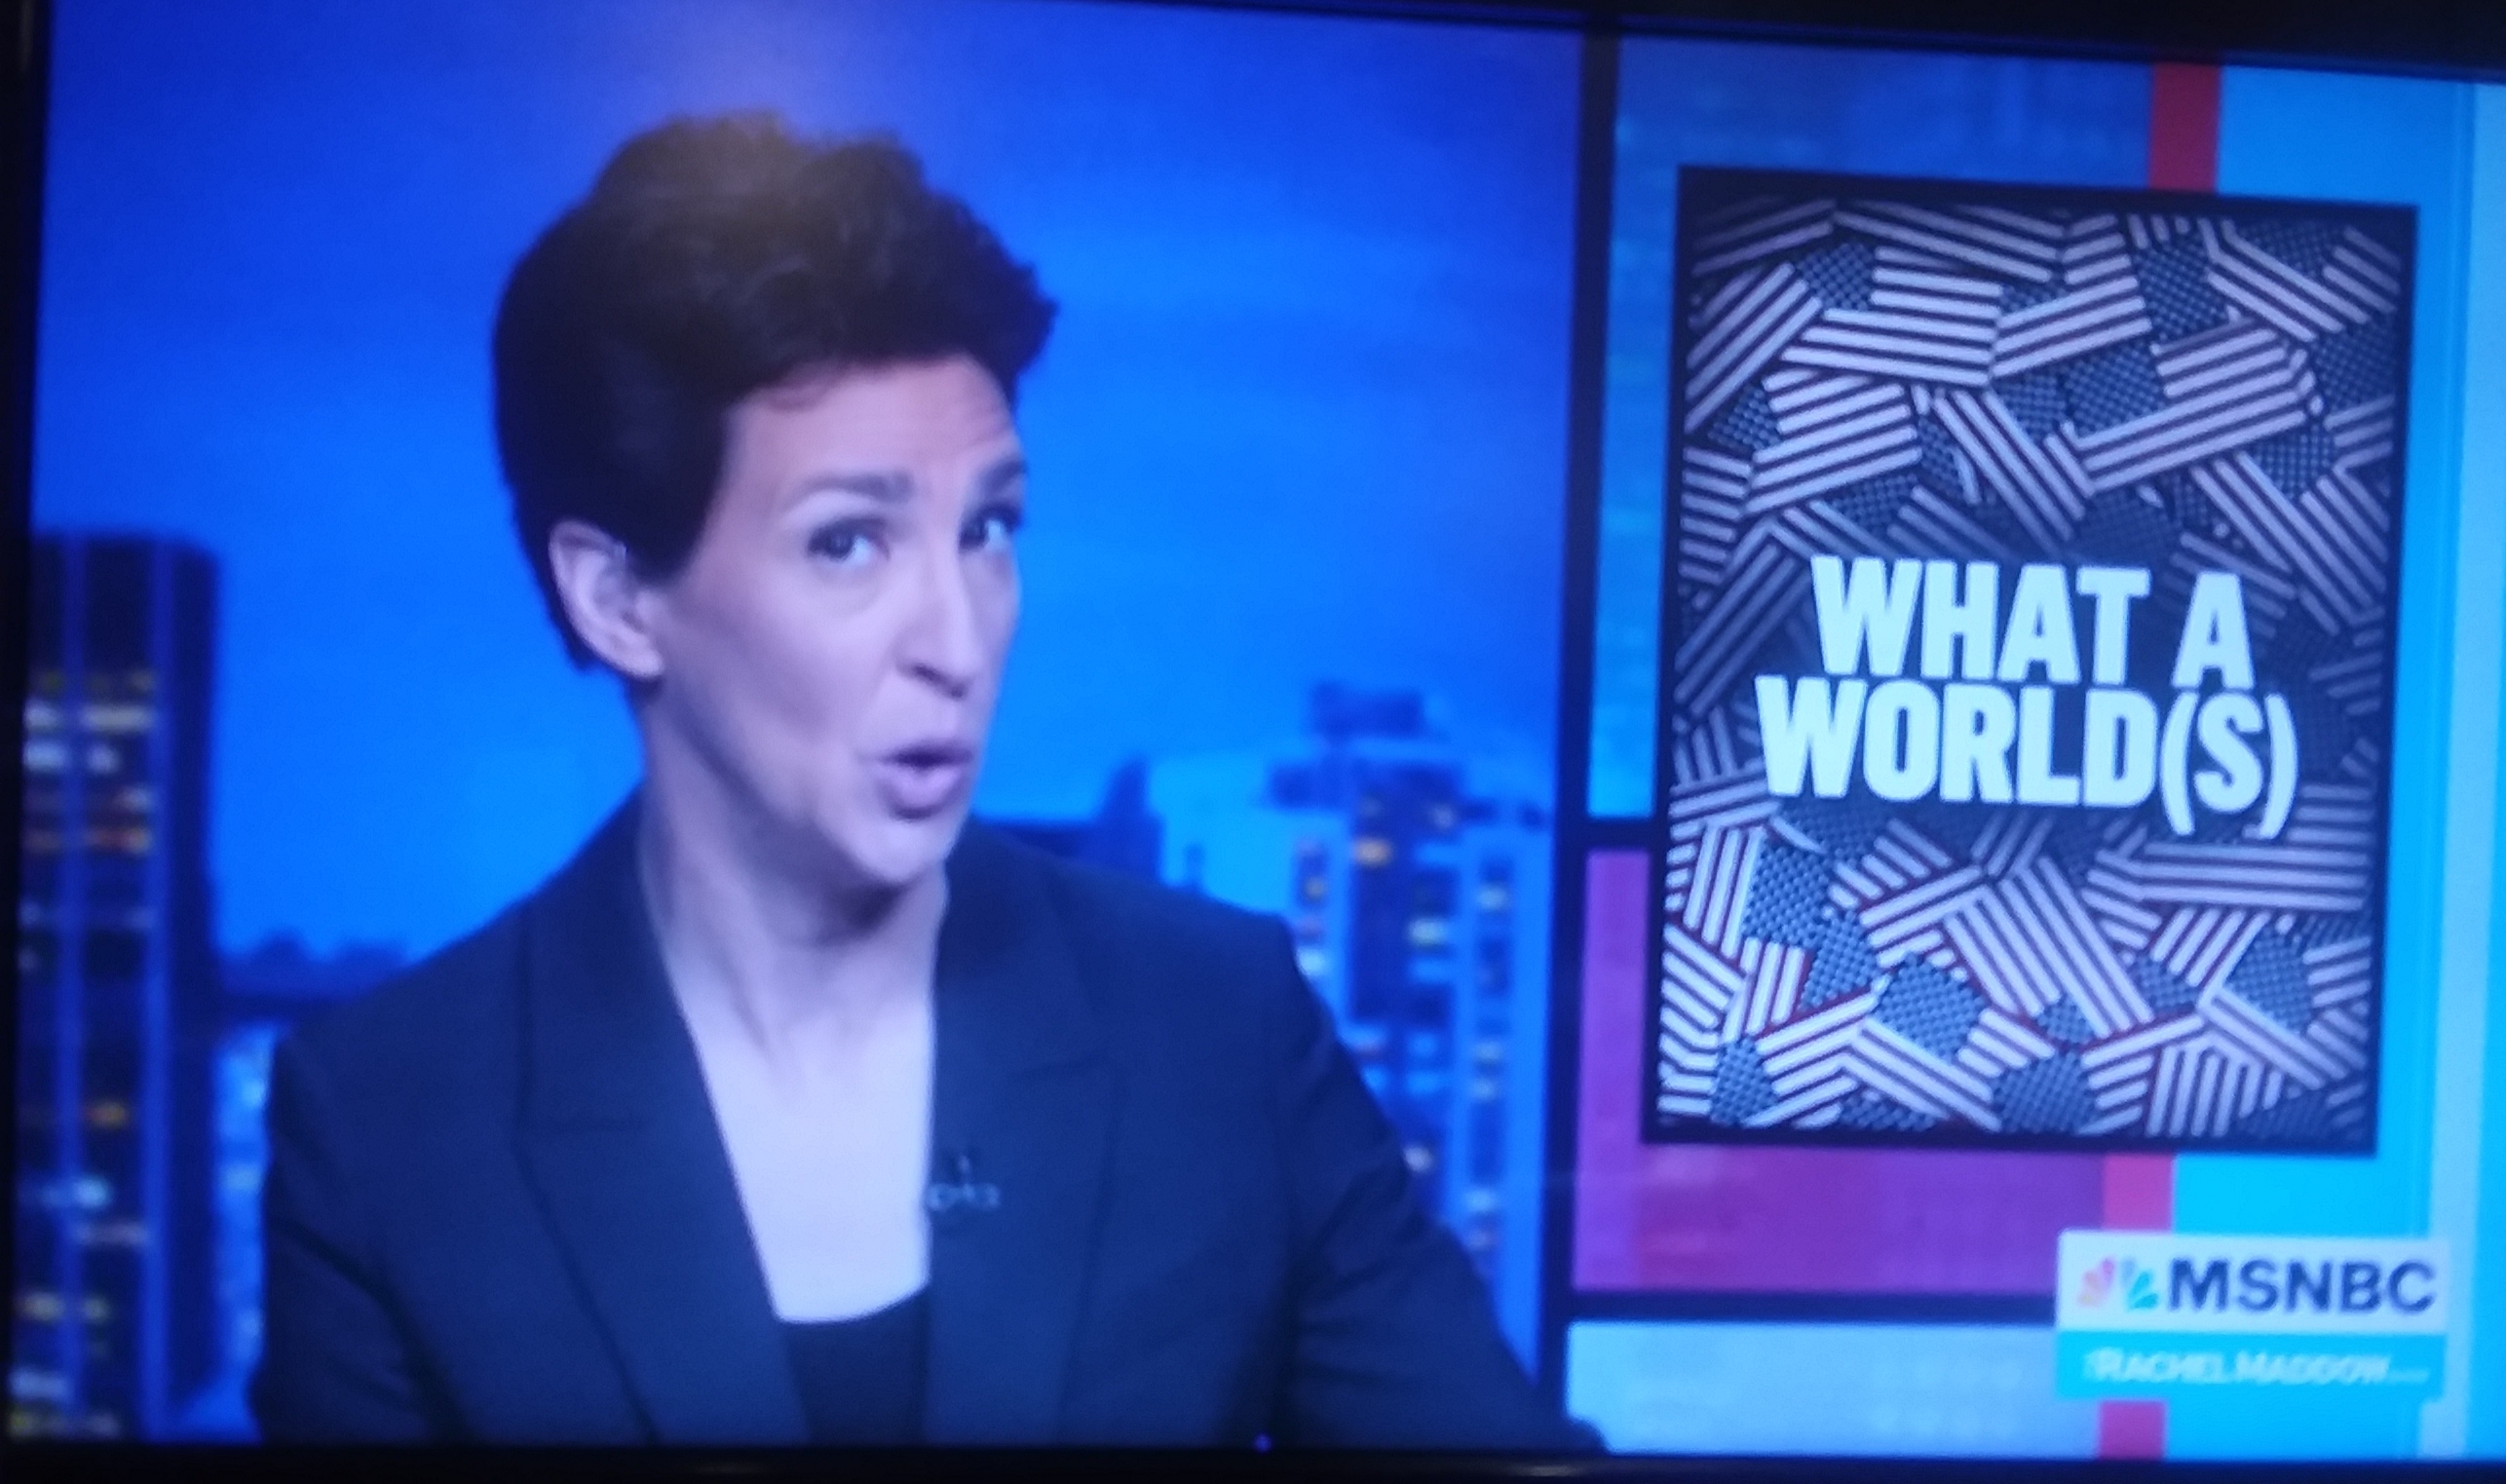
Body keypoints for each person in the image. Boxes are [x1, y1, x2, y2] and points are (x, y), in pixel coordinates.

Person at [250, 113, 1589, 1450]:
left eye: (988, 529)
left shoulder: (1219, 1031)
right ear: (617, 599)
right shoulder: (386, 1129)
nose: (958, 641)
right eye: (848, 543)